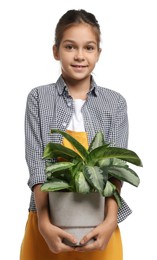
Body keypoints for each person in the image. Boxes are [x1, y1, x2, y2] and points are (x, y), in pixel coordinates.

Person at [20, 9, 132, 260]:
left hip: (99, 226)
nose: (80, 56)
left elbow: (115, 170)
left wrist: (111, 221)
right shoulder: (39, 98)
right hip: (47, 223)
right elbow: (38, 164)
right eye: (70, 47)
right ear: (55, 51)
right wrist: (44, 223)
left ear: (98, 53)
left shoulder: (115, 103)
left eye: (89, 48)